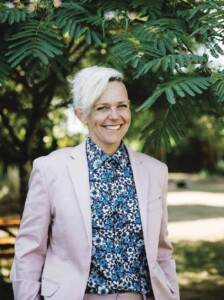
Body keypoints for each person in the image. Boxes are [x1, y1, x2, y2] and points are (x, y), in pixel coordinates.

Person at [10, 66, 180, 300]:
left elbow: (162, 253)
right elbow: (29, 251)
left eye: (121, 105)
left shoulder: (155, 171)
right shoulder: (50, 169)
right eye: (102, 108)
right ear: (82, 114)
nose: (114, 116)